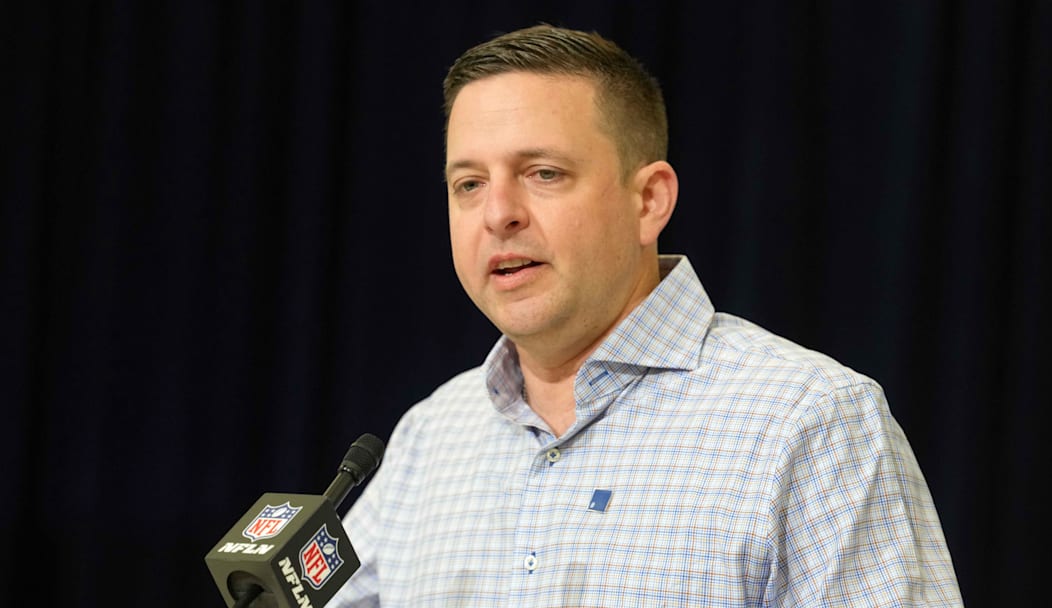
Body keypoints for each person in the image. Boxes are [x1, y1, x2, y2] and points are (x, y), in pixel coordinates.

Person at [328, 24, 962, 606]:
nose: (498, 214)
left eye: (543, 173)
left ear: (649, 200)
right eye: (469, 184)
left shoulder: (808, 421)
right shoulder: (428, 437)